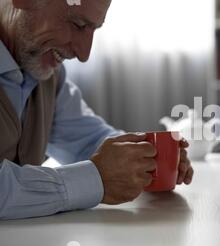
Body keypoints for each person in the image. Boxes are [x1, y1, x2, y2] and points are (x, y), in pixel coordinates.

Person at [0, 0, 194, 220]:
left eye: (93, 29)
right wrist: (94, 179)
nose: (84, 54)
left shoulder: (47, 74)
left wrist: (148, 155)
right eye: (78, 24)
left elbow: (89, 138)